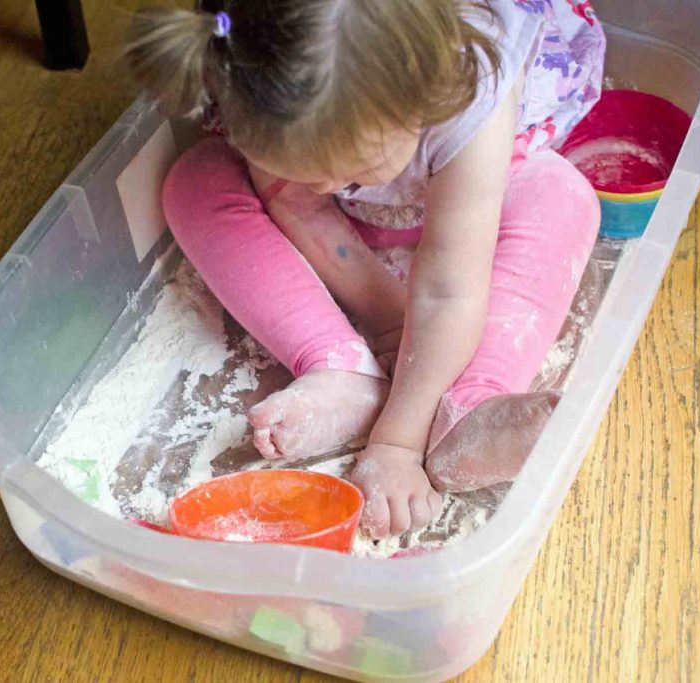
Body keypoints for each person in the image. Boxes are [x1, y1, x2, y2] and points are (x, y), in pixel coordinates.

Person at [125, 0, 605, 538]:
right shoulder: (263, 64)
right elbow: (298, 203)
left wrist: (398, 440)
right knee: (194, 180)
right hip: (346, 236)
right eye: (308, 170)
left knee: (562, 195)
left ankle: (464, 408)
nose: (331, 186)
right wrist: (388, 324)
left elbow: (449, 289)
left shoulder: (471, 91)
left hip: (472, 211)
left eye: (353, 167)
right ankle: (340, 365)